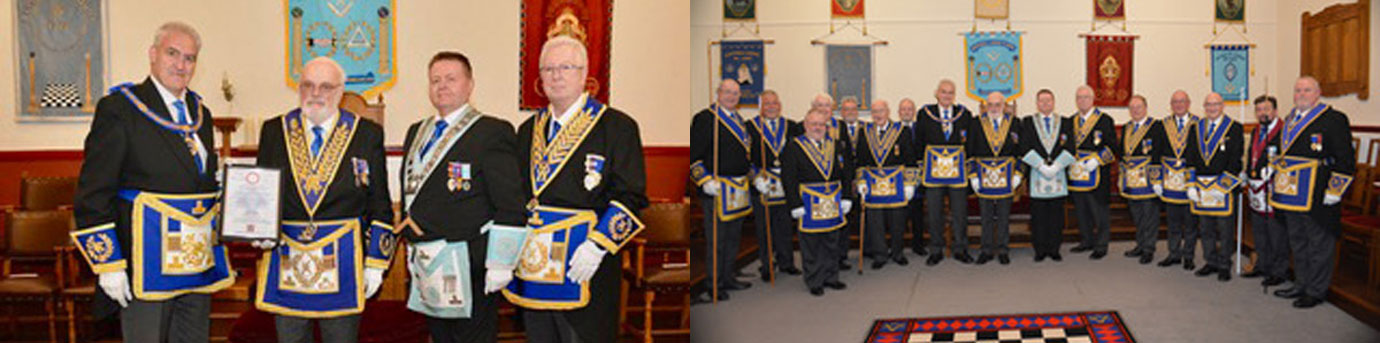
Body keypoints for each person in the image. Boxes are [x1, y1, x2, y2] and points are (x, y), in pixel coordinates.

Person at [70, 21, 233, 342]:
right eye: (173, 54)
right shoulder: (121, 108)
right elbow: (93, 192)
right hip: (144, 265)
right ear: (153, 54)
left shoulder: (201, 113)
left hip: (196, 265)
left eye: (190, 58)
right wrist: (108, 263)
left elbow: (200, 185)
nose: (181, 64)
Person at [507, 36, 649, 342]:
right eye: (548, 68)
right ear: (540, 77)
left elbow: (631, 195)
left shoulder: (616, 126)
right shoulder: (527, 131)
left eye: (566, 67)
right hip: (535, 268)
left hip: (584, 263)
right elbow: (516, 197)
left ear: (585, 74)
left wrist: (598, 245)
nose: (556, 75)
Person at [251, 57, 395, 343]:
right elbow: (261, 195)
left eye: (326, 86)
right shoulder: (274, 130)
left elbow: (379, 202)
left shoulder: (366, 133)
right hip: (288, 260)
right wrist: (259, 229)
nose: (315, 93)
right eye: (308, 85)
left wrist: (376, 262)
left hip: (343, 262)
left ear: (340, 92)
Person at [398, 51, 528, 343]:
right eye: (435, 80)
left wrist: (502, 262)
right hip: (428, 261)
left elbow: (510, 202)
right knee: (440, 338)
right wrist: (411, 248)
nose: (442, 86)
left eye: (451, 79)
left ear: (469, 85)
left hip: (469, 262)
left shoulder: (491, 131)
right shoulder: (416, 132)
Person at [1269, 76, 1355, 308]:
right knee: (1298, 241)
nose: (1301, 94)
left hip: (1318, 192)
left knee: (1319, 243)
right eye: (1297, 90)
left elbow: (1346, 158)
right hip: (1291, 194)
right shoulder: (1290, 119)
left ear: (1318, 93)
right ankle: (1301, 284)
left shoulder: (1333, 119)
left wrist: (1335, 189)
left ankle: (1316, 291)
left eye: (1307, 90)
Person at [690, 79, 753, 300]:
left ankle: (728, 277)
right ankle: (713, 284)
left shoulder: (739, 120)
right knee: (717, 239)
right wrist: (705, 180)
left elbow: (744, 157)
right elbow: (694, 157)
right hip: (716, 189)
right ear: (718, 93)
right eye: (727, 92)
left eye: (735, 93)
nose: (731, 96)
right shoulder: (705, 119)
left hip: (737, 188)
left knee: (734, 237)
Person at [782, 107, 855, 296]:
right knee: (811, 243)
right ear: (805, 125)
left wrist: (847, 196)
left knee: (832, 241)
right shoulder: (794, 146)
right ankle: (814, 279)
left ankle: (832, 277)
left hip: (832, 200)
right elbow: (788, 178)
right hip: (808, 201)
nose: (818, 127)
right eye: (813, 124)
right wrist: (794, 204)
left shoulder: (837, 145)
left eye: (821, 124)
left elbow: (847, 173)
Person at [916, 80, 975, 265]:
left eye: (950, 92)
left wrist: (968, 167)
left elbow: (970, 144)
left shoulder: (964, 114)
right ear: (936, 93)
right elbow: (919, 142)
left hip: (957, 175)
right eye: (943, 92)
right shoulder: (925, 114)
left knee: (960, 213)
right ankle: (936, 250)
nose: (947, 95)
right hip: (934, 175)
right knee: (934, 213)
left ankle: (960, 248)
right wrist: (921, 167)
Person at [748, 90, 804, 281]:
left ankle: (787, 262)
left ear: (780, 105)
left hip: (786, 184)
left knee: (785, 226)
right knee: (764, 227)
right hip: (763, 185)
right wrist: (755, 177)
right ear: (761, 107)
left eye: (774, 103)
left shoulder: (791, 126)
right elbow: (744, 158)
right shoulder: (750, 127)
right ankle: (766, 264)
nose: (771, 107)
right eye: (767, 104)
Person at [1187, 92, 1244, 282]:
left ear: (1222, 106)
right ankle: (1210, 261)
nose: (1211, 108)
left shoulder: (1234, 128)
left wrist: (1222, 187)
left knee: (1225, 229)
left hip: (1223, 188)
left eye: (1215, 104)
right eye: (1208, 105)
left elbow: (1236, 161)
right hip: (1202, 187)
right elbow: (1190, 158)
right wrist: (1191, 184)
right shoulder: (1196, 127)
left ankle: (1224, 264)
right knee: (1206, 228)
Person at [855, 99, 916, 270]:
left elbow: (910, 159)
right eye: (874, 112)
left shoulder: (901, 131)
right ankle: (880, 254)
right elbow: (860, 160)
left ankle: (897, 252)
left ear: (888, 112)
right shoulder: (864, 132)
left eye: (881, 111)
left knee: (897, 220)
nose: (878, 115)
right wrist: (860, 181)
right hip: (873, 184)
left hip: (896, 183)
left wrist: (910, 184)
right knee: (875, 221)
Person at [965, 92, 1023, 265]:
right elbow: (969, 153)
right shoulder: (975, 123)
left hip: (1007, 178)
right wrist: (973, 176)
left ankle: (1004, 250)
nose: (994, 108)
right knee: (986, 216)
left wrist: (1018, 175)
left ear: (1004, 106)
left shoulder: (1015, 123)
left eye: (998, 104)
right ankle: (986, 250)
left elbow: (1020, 153)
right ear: (985, 106)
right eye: (990, 105)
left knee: (1004, 216)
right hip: (983, 179)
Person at [1019, 89, 1074, 262]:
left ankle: (1054, 248)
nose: (1045, 104)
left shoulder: (1065, 122)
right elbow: (1024, 146)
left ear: (1053, 102)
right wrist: (1041, 165)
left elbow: (1070, 147)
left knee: (1056, 215)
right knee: (1039, 215)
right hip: (1037, 173)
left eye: (1048, 101)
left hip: (1058, 174)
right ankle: (1040, 249)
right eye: (1041, 101)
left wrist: (1057, 165)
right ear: (1037, 103)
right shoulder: (1027, 122)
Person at [1067, 85, 1119, 260]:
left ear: (1092, 99)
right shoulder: (1070, 121)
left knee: (1099, 211)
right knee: (1081, 210)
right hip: (1076, 175)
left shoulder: (1104, 120)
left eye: (1085, 97)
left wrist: (1097, 160)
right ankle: (1086, 240)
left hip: (1096, 174)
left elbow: (1113, 147)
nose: (1082, 101)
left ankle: (1101, 244)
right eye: (1079, 97)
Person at [1243, 95, 1288, 288]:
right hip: (1255, 186)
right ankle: (1262, 264)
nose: (1262, 113)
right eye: (1259, 110)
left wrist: (1275, 169)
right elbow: (1252, 155)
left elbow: (1288, 158)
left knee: (1276, 232)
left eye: (1266, 109)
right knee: (1259, 229)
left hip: (1274, 188)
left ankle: (1279, 271)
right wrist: (1246, 172)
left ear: (1275, 111)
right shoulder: (1256, 131)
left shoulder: (1284, 131)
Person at [1155, 91, 1202, 271]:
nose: (1179, 105)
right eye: (1175, 102)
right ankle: (1174, 253)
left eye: (1182, 101)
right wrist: (1157, 179)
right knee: (1173, 221)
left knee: (1190, 222)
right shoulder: (1163, 125)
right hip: (1169, 181)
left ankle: (1188, 256)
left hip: (1190, 179)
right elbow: (1156, 154)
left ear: (1188, 103)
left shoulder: (1199, 124)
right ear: (1171, 104)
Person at [1118, 95, 1166, 265]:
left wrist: (1157, 180)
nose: (1135, 110)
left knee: (1150, 216)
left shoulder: (1156, 126)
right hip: (1132, 180)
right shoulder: (1127, 127)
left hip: (1148, 180)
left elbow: (1159, 154)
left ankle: (1149, 248)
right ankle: (1140, 244)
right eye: (1132, 108)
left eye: (1138, 107)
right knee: (1137, 216)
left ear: (1146, 108)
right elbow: (1123, 153)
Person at [836, 96, 866, 270]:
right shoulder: (835, 128)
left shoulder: (866, 127)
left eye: (853, 109)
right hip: (844, 181)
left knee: (866, 215)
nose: (850, 112)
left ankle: (867, 249)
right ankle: (841, 254)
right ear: (841, 112)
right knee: (844, 219)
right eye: (846, 109)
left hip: (863, 178)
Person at [897, 98, 928, 257]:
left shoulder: (920, 129)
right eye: (903, 109)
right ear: (898, 112)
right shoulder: (893, 130)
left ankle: (918, 245)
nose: (907, 112)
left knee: (918, 214)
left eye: (909, 109)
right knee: (899, 215)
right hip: (898, 179)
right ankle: (898, 248)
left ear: (914, 112)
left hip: (918, 178)